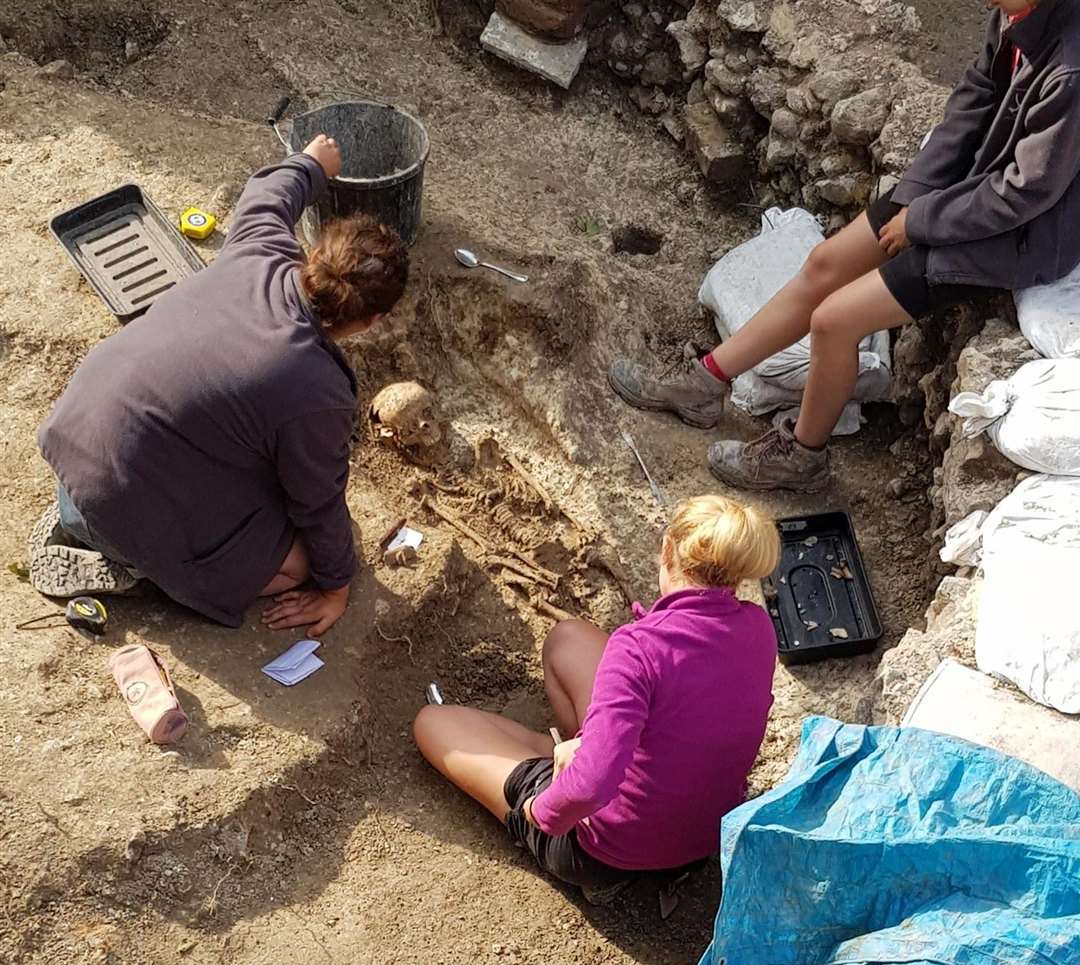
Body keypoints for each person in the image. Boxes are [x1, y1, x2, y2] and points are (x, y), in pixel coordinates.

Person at [609, 0, 1080, 493]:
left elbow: (1024, 193)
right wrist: (917, 192)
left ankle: (802, 457)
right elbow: (973, 100)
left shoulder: (1068, 68)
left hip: (1013, 238)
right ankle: (705, 382)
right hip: (961, 192)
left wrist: (919, 222)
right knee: (824, 263)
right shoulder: (1016, 13)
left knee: (833, 321)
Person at [35, 136, 409, 636]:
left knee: (228, 443)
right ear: (373, 319)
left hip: (72, 451)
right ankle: (136, 567)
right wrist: (337, 586)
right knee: (295, 563)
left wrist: (311, 165)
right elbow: (317, 503)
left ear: (314, 254)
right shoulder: (316, 392)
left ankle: (103, 524)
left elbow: (267, 193)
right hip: (111, 508)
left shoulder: (259, 248)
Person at [412, 494, 780, 902]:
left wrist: (541, 811)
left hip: (604, 849)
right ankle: (565, 754)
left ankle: (570, 815)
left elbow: (590, 788)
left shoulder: (638, 648)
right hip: (704, 835)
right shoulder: (758, 628)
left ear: (667, 549)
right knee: (569, 636)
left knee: (433, 722)